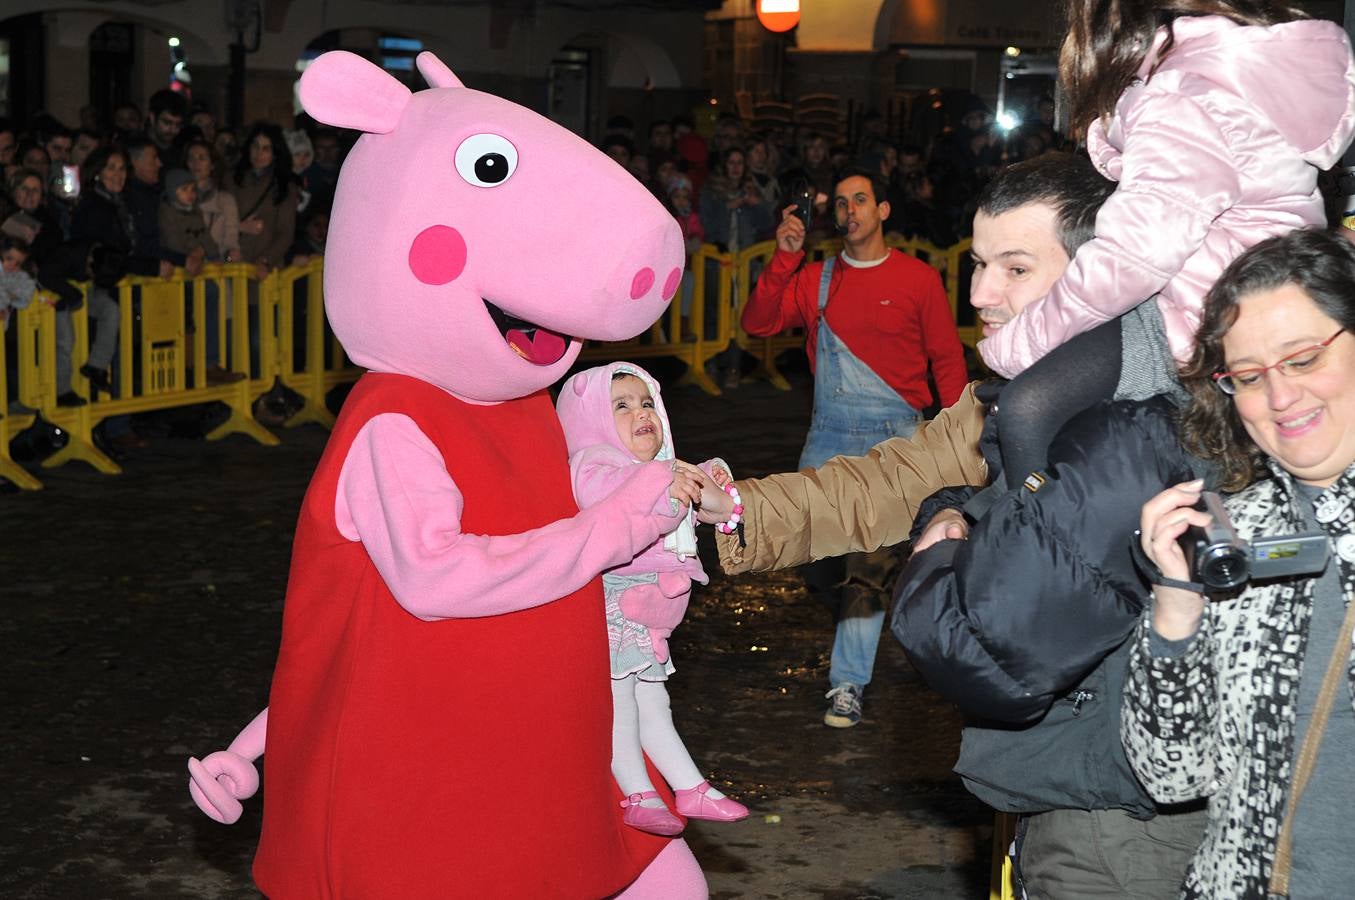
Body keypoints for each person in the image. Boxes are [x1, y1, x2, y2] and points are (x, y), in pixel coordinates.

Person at [979, 2, 1355, 491]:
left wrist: (1022, 341)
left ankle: (1022, 550)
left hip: (1209, 322)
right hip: (1256, 306)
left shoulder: (1181, 95)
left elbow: (1133, 256)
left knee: (1029, 407)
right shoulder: (1220, 74)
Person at [1123, 228, 1355, 900]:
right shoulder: (1235, 534)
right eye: (1249, 377)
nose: (1279, 398)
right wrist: (1175, 609)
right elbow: (1168, 775)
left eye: (1304, 359)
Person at [740, 168, 968, 727]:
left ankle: (847, 683)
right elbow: (757, 324)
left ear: (883, 210)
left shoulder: (918, 279)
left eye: (861, 199)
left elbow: (946, 359)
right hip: (829, 439)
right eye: (841, 203)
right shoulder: (816, 279)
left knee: (865, 570)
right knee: (818, 563)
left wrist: (961, 435)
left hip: (897, 442)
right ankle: (887, 599)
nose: (850, 210)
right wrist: (785, 258)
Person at [557, 363, 750, 836]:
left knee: (653, 701)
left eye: (647, 404)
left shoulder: (654, 468)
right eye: (620, 406)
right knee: (621, 700)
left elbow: (681, 492)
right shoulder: (594, 463)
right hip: (614, 604)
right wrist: (662, 482)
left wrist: (708, 477)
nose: (640, 413)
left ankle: (688, 785)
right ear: (592, 422)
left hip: (646, 614)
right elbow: (604, 493)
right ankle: (638, 791)